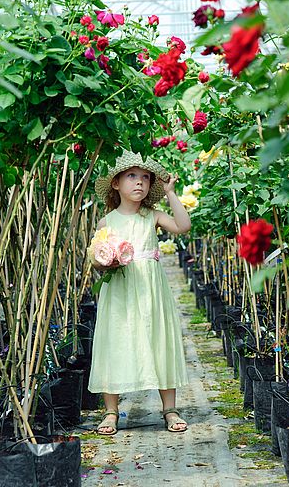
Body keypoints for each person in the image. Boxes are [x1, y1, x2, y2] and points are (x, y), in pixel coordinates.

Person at [88, 150, 191, 435]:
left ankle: (169, 408)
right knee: (116, 340)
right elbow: (96, 259)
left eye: (145, 178)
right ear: (116, 183)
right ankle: (111, 411)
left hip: (151, 290)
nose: (139, 183)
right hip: (120, 290)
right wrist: (105, 259)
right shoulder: (107, 222)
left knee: (158, 338)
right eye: (132, 176)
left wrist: (170, 193)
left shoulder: (152, 217)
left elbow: (183, 226)